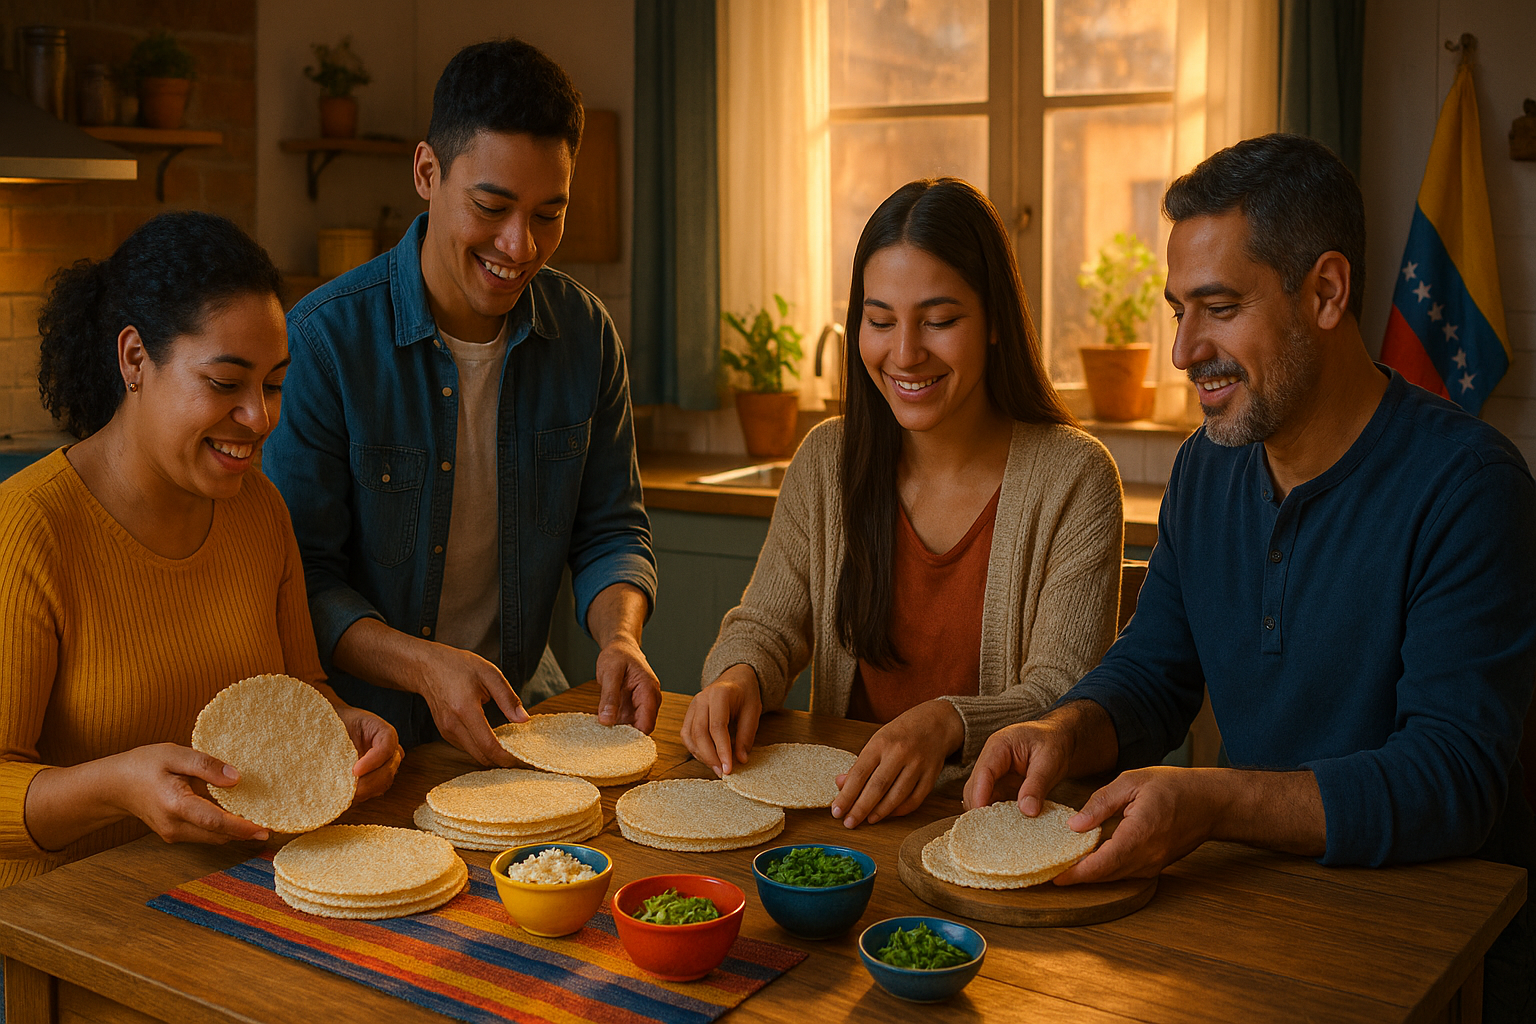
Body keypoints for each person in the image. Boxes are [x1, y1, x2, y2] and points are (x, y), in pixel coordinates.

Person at [964, 134, 1536, 1020]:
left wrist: (1214, 803)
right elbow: (1154, 674)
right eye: (1177, 310)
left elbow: (1452, 779)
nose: (1186, 349)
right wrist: (1066, 731)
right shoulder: (1207, 468)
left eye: (1218, 307)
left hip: (1431, 947)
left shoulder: (1469, 489)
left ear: (1327, 292)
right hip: (1249, 911)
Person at [263, 38, 659, 764]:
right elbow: (299, 581)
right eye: (493, 206)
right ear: (426, 171)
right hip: (361, 736)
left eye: (549, 214)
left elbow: (610, 533)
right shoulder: (322, 343)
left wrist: (621, 638)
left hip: (518, 712)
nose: (521, 245)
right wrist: (425, 666)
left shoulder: (586, 337)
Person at [683, 178, 1125, 828]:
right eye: (881, 320)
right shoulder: (826, 461)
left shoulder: (1075, 477)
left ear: (996, 321)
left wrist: (946, 723)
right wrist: (737, 677)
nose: (905, 353)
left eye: (940, 321)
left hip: (1005, 827)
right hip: (849, 817)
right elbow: (768, 625)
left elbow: (1063, 694)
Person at [0, 211, 402, 889]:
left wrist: (345, 730)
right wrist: (116, 786)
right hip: (65, 931)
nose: (259, 417)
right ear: (135, 359)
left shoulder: (261, 511)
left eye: (272, 383)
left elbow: (300, 689)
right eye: (225, 384)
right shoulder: (31, 529)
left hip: (236, 892)